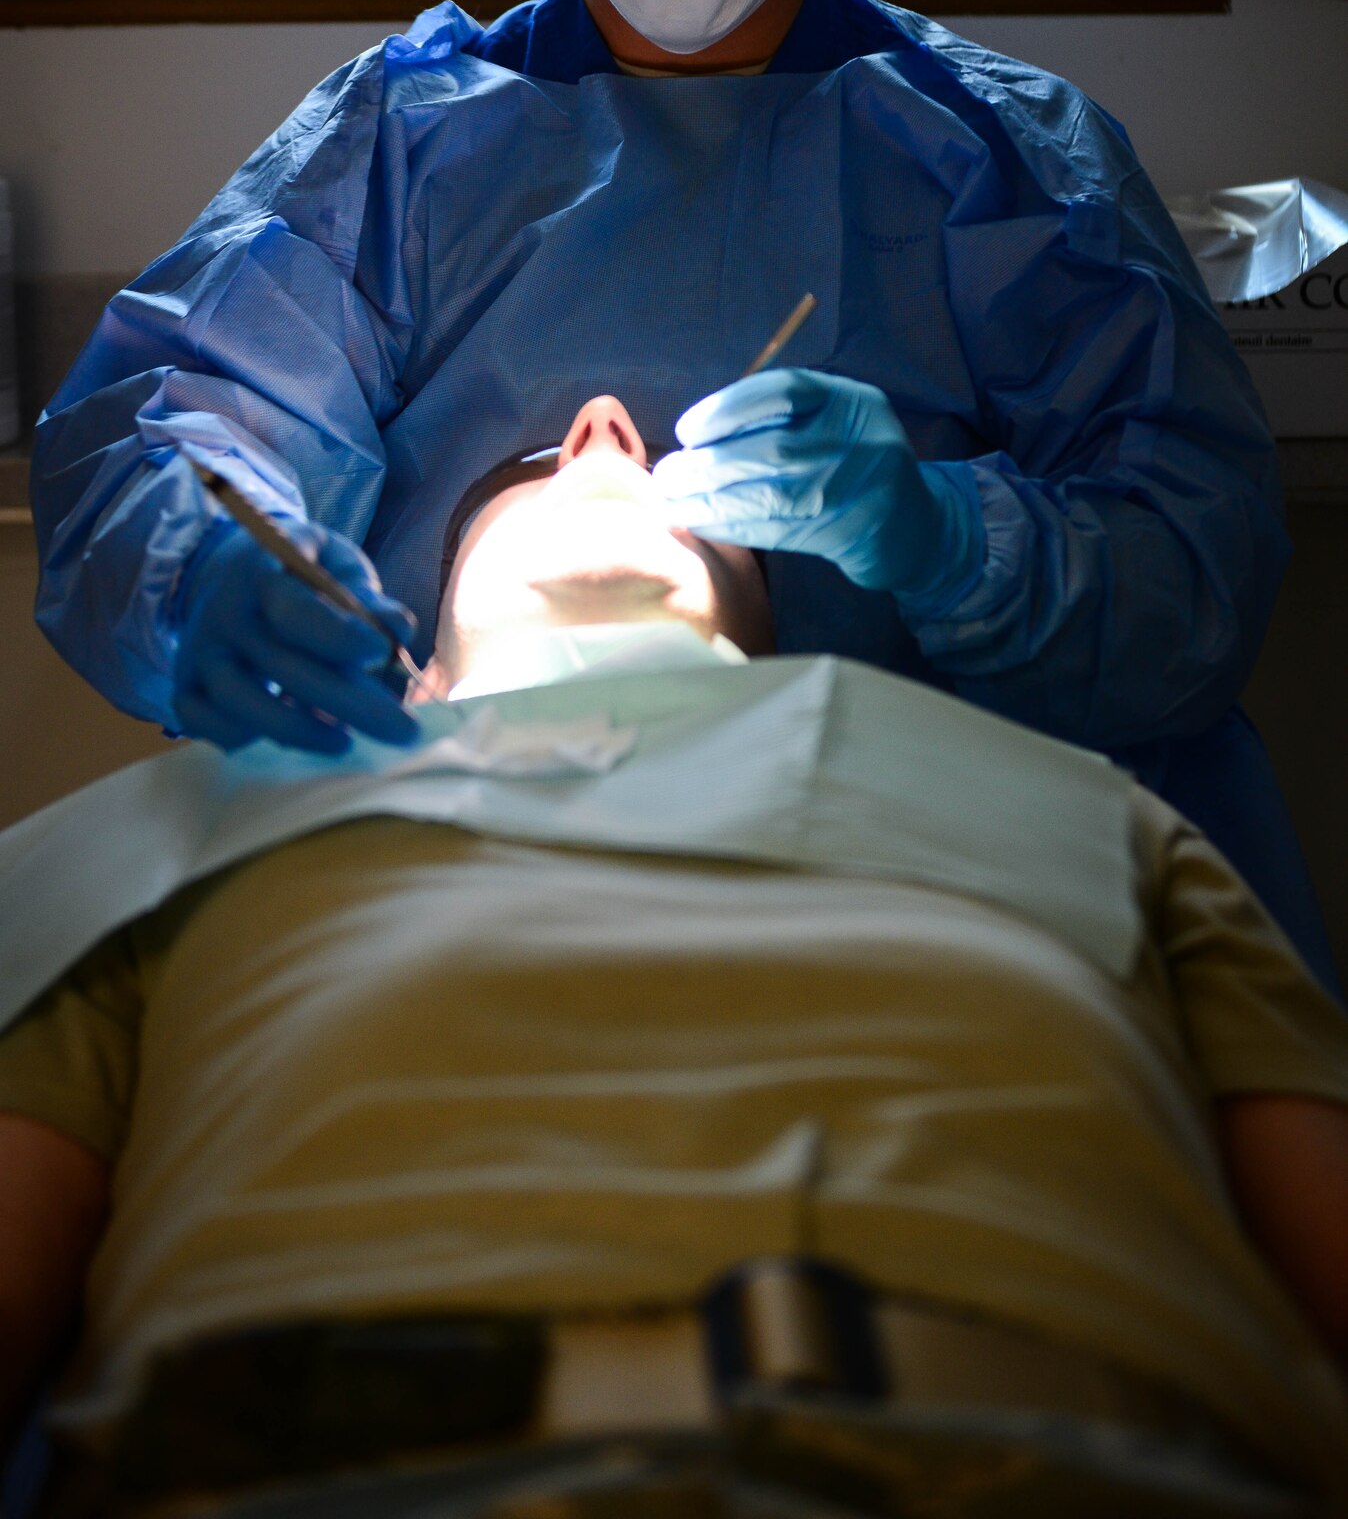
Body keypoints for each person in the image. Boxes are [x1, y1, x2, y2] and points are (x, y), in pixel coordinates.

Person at [27, 0, 1336, 988]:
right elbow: (174, 432)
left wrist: (951, 541)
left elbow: (1193, 567)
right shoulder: (405, 147)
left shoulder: (1001, 162)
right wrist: (207, 569)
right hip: (464, 897)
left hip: (942, 908)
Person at [2, 394, 1347, 1518]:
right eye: (534, 469)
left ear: (770, 630)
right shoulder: (162, 832)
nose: (605, 434)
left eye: (658, 474)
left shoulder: (1082, 810)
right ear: (411, 666)